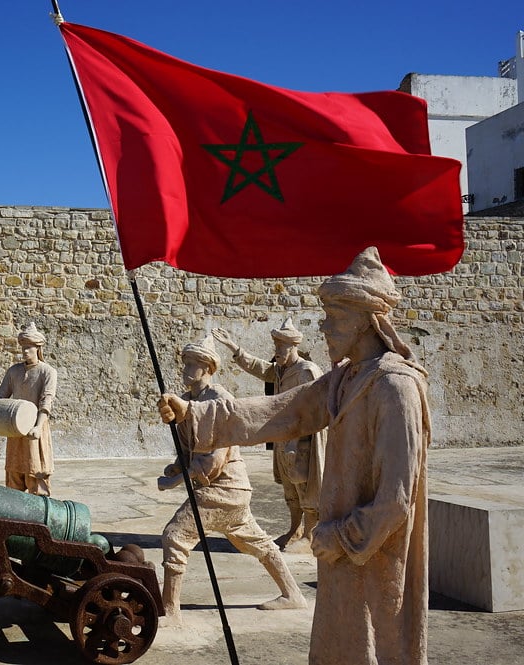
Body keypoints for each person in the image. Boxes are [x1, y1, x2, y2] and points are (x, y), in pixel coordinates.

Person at [158, 247, 431, 665]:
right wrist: (193, 413)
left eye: (333, 316)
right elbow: (284, 411)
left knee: (378, 643)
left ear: (366, 320)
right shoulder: (344, 378)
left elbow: (397, 499)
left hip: (370, 551)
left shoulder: (395, 388)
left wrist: (338, 536)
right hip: (341, 551)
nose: (323, 326)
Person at [159, 334, 306, 628]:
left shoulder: (221, 399)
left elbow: (215, 458)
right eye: (185, 363)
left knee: (175, 536)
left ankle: (171, 610)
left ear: (207, 368)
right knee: (257, 542)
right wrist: (177, 467)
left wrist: (178, 481)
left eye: (192, 364)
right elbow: (189, 449)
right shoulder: (187, 400)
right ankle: (293, 594)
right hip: (226, 490)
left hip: (224, 488)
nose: (185, 369)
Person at [213, 318, 327, 552]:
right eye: (276, 347)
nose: (277, 352)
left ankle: (310, 534)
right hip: (284, 439)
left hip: (302, 440)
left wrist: (303, 438)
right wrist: (234, 348)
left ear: (293, 346)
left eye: (280, 347)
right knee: (290, 490)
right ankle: (294, 529)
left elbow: (318, 408)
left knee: (306, 488)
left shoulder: (307, 371)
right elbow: (260, 368)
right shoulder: (280, 370)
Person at [0, 322, 57, 496]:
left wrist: (37, 426)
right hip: (14, 430)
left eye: (29, 348)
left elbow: (46, 402)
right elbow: (0, 398)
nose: (25, 351)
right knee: (13, 477)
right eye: (23, 348)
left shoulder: (47, 372)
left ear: (38, 348)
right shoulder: (14, 371)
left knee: (36, 473)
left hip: (35, 431)